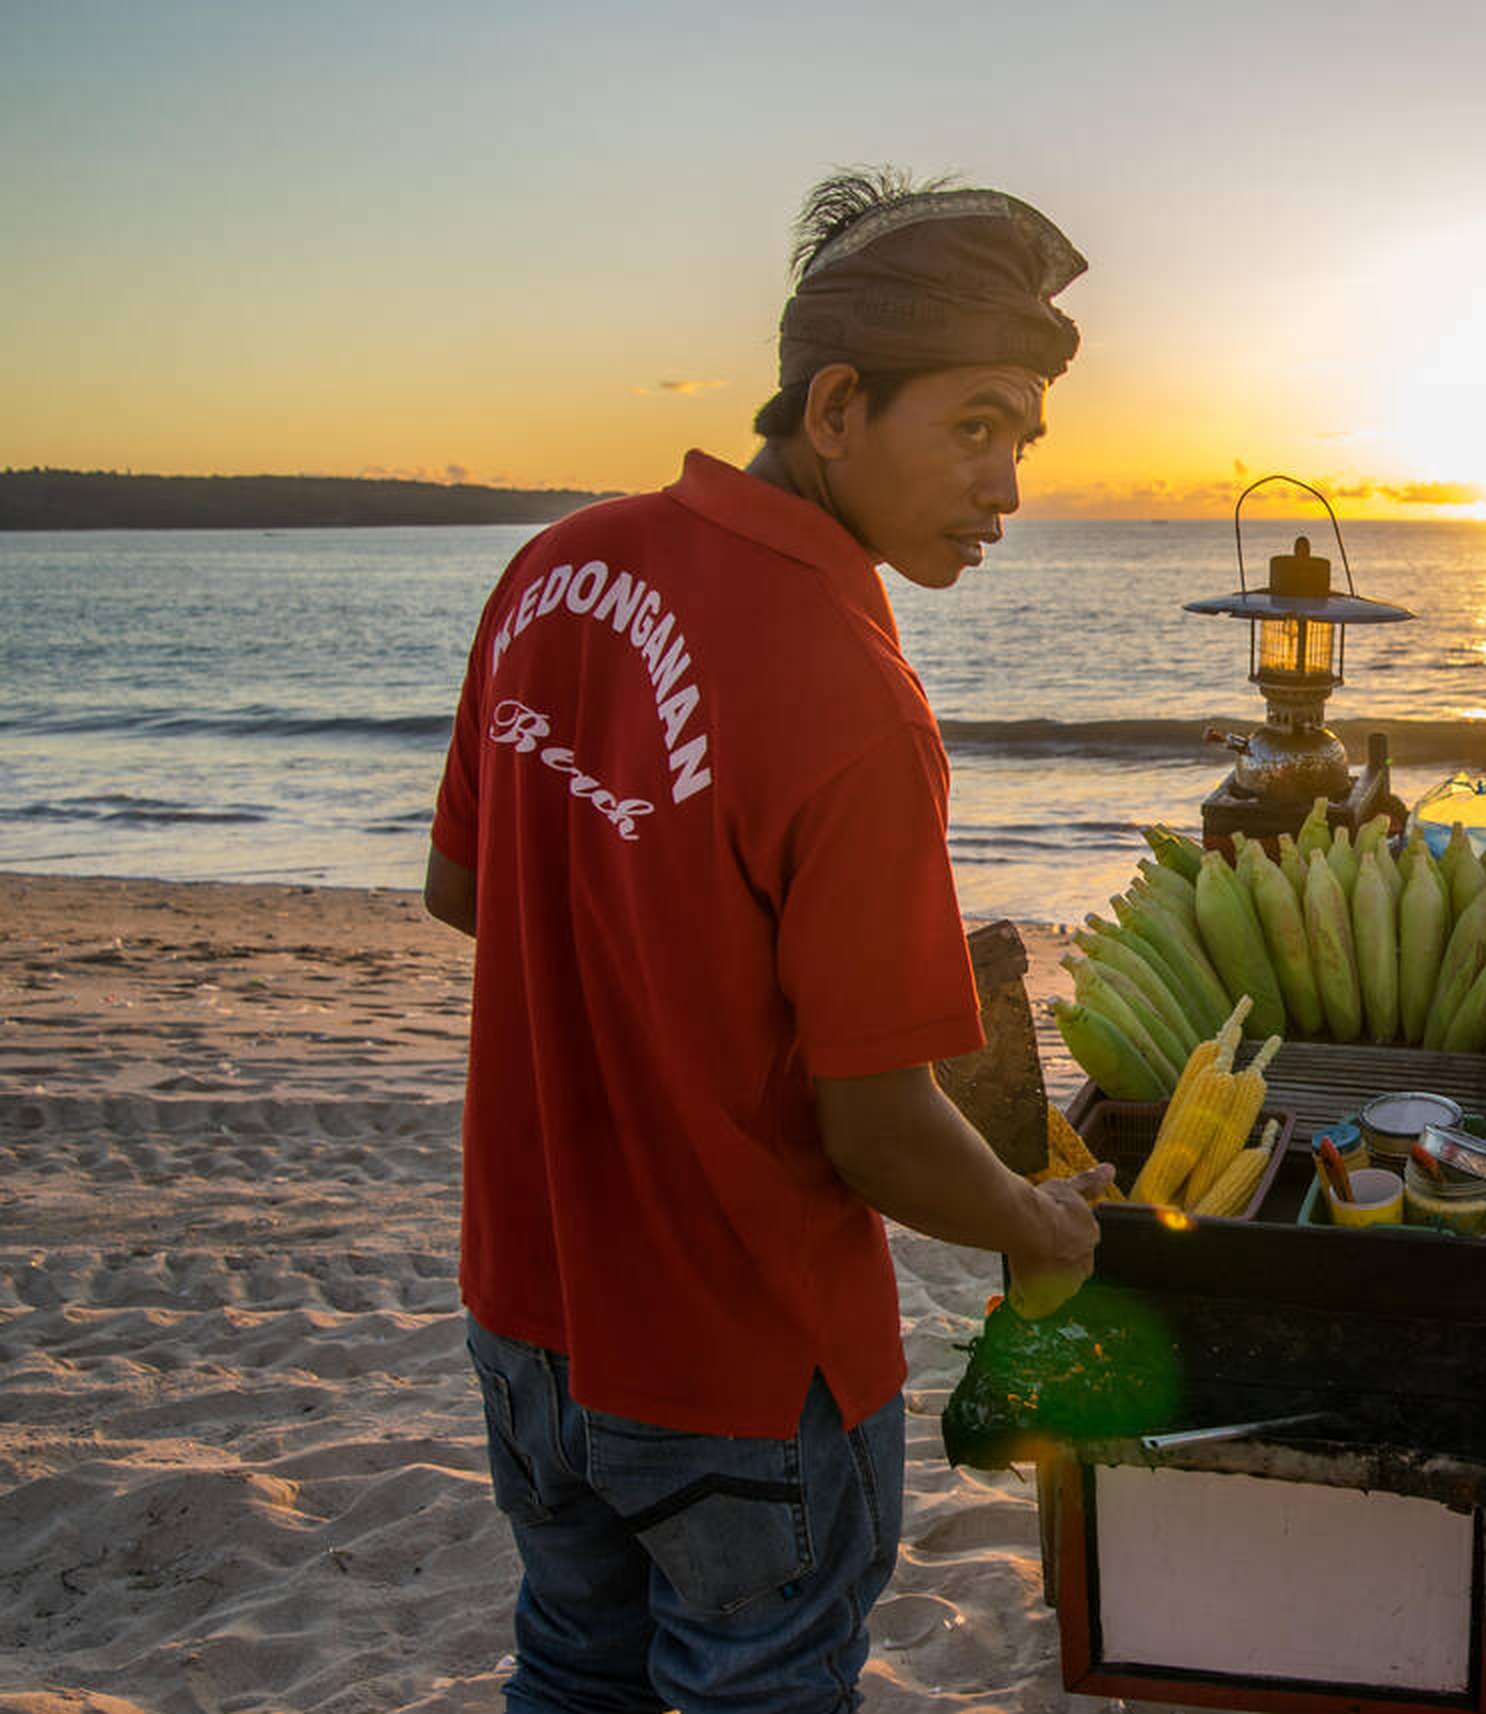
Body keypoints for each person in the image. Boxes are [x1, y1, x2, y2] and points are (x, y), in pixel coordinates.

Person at [422, 169, 1112, 1712]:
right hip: (738, 1355)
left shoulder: (550, 571)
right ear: (841, 405)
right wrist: (1035, 1218)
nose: (1008, 486)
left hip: (530, 1323)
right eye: (978, 427)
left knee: (573, 1666)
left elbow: (473, 892)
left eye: (1027, 441)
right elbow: (876, 1129)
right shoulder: (855, 696)